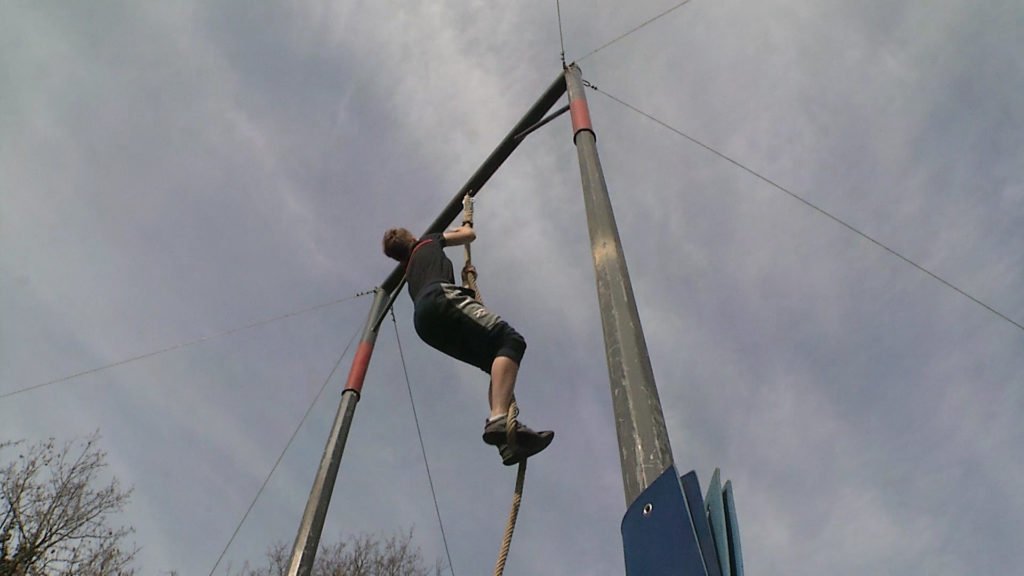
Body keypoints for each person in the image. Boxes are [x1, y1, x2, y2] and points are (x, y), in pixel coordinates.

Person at [382, 224, 553, 465]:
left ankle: (506, 442)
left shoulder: (410, 270)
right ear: (411, 237)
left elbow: (446, 299)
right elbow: (468, 235)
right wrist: (462, 226)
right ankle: (499, 419)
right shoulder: (429, 241)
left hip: (424, 322)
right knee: (510, 340)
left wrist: (465, 283)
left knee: (493, 361)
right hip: (440, 298)